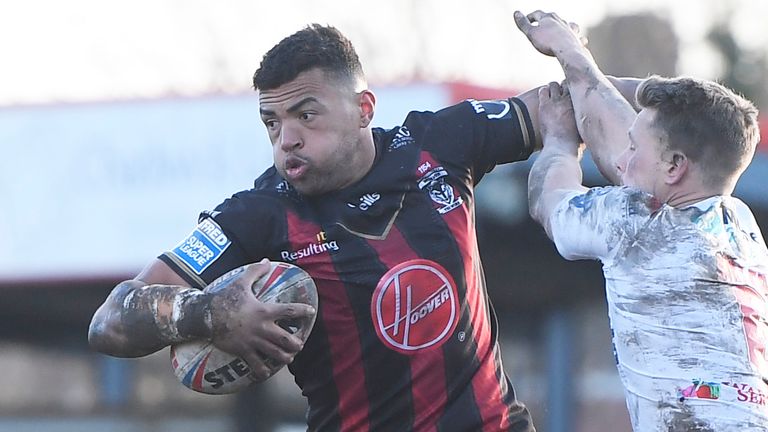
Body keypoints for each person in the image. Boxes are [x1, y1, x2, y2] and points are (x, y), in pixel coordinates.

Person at [88, 24, 549, 431]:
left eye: (305, 115)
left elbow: (557, 108)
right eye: (272, 122)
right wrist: (209, 312)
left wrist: (573, 57)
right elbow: (109, 322)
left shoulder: (437, 144)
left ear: (364, 108)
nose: (286, 138)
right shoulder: (257, 215)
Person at [515, 10, 768, 431]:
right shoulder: (740, 227)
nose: (621, 161)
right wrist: (580, 66)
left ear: (675, 167)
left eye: (636, 150)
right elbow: (620, 134)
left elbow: (549, 200)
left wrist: (559, 139)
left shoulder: (635, 226)